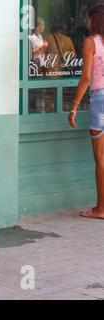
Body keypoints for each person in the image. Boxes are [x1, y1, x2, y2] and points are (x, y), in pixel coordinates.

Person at [69, 4, 104, 220]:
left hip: (100, 101)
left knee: (100, 159)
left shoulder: (91, 42)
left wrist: (73, 106)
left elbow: (86, 78)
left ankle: (101, 209)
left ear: (93, 20)